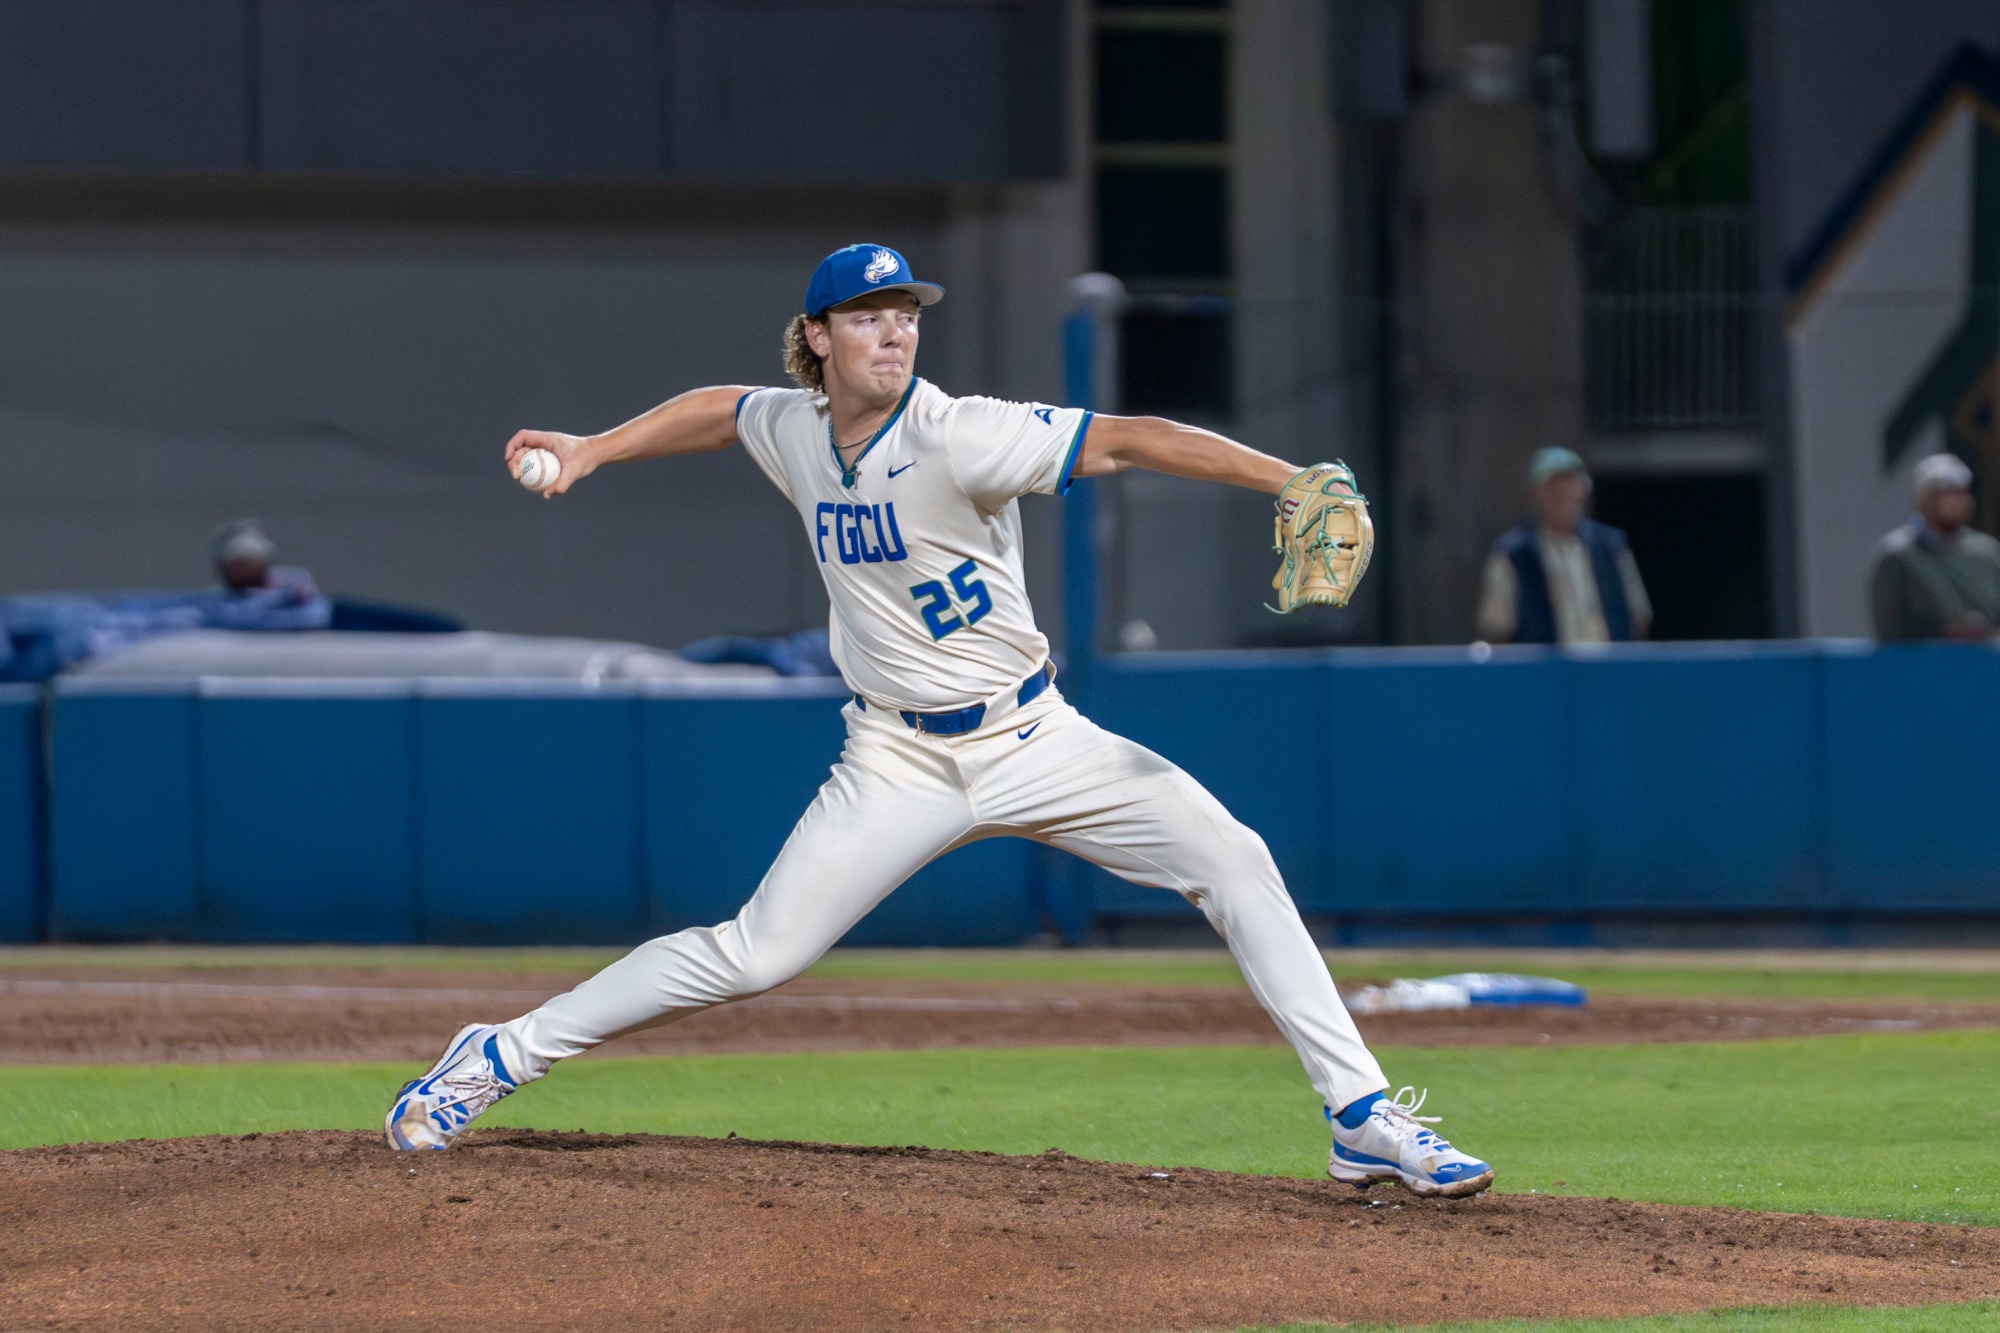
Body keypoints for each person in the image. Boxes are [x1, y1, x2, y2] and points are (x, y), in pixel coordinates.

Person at [383, 243, 1493, 1198]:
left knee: (1235, 860)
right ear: (816, 336)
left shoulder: (962, 434)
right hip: (895, 757)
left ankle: (1359, 1118)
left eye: (904, 314)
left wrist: (1284, 477)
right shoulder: (798, 430)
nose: (893, 334)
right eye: (868, 316)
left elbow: (1129, 436)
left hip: (1035, 738)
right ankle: (498, 1052)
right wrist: (591, 449)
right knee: (752, 954)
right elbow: (721, 410)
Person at [1474, 447, 1652, 644]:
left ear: (1584, 489)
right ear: (1536, 491)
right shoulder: (1515, 553)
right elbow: (1495, 628)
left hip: (1606, 667)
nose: (1561, 493)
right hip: (1544, 670)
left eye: (1569, 483)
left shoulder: (1610, 546)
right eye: (1552, 485)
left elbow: (1638, 617)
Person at [1870, 453, 2000, 641]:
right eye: (1949, 492)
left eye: (1963, 492)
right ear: (1925, 499)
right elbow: (1888, 630)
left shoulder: (1986, 552)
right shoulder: (1897, 556)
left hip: (1984, 665)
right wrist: (1943, 632)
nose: (1958, 501)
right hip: (1924, 666)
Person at [206, 519, 332, 631]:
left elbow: (317, 616)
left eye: (247, 563)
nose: (241, 571)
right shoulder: (217, 599)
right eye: (235, 566)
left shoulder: (293, 586)